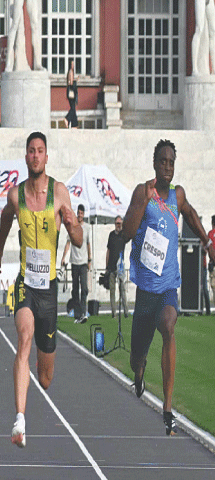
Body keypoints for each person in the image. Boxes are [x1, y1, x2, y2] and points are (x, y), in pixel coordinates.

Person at [0, 131, 81, 448]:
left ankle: (31, 395)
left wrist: (71, 223)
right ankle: (19, 420)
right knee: (24, 337)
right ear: (26, 156)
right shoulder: (16, 196)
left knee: (45, 378)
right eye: (31, 150)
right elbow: (6, 217)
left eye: (40, 150)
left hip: (49, 290)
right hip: (26, 283)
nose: (35, 155)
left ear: (46, 156)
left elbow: (78, 239)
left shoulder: (59, 192)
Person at [121, 139, 215, 436]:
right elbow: (128, 231)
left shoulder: (178, 195)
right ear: (154, 164)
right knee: (136, 357)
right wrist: (144, 201)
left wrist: (208, 243)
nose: (167, 166)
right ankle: (139, 371)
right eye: (163, 161)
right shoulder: (143, 192)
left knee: (169, 324)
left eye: (171, 162)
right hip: (145, 289)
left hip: (167, 286)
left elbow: (192, 215)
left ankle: (168, 407)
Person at [60, 204, 91, 322]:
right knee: (75, 289)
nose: (80, 215)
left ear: (84, 214)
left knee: (84, 288)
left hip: (83, 262)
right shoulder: (73, 227)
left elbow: (88, 244)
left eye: (81, 213)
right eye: (78, 213)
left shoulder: (87, 228)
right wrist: (64, 257)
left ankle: (84, 312)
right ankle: (78, 315)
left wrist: (89, 260)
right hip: (74, 262)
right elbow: (68, 243)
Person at [105, 215, 129, 317]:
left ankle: (126, 311)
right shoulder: (111, 235)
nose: (118, 225)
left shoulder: (123, 235)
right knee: (112, 291)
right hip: (111, 267)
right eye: (117, 223)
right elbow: (108, 251)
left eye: (120, 223)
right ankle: (114, 312)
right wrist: (106, 266)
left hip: (120, 267)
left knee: (122, 290)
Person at [65, 60, 78, 129]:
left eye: (73, 64)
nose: (73, 66)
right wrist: (75, 81)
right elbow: (71, 83)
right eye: (72, 64)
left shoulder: (70, 72)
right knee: (73, 108)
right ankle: (67, 118)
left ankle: (74, 124)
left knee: (73, 108)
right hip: (71, 93)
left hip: (70, 92)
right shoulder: (71, 72)